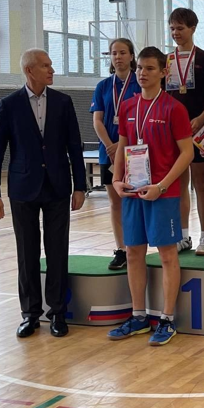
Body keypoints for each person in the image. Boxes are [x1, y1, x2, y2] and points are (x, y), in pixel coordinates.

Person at [0, 48, 87, 339]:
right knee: (26, 253)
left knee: (57, 251)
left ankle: (57, 312)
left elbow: (74, 146)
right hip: (22, 188)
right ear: (30, 70)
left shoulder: (63, 102)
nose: (51, 70)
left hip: (58, 186)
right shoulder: (9, 104)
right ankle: (30, 313)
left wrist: (80, 186)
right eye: (45, 65)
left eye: (51, 65)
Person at [107, 47, 194, 346]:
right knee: (133, 252)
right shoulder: (128, 106)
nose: (142, 73)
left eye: (150, 68)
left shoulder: (174, 109)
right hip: (133, 191)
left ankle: (167, 319)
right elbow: (123, 145)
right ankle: (139, 316)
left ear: (164, 73)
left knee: (168, 254)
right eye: (140, 68)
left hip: (163, 194)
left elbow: (187, 153)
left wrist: (163, 185)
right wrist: (116, 179)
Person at [165, 8, 204, 255]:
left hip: (198, 130)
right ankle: (182, 235)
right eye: (172, 28)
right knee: (178, 184)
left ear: (193, 28)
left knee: (201, 183)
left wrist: (201, 118)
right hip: (174, 132)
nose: (176, 33)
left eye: (180, 28)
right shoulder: (167, 60)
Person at [90, 38, 142, 270]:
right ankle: (121, 249)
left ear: (131, 56)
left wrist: (121, 146)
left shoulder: (140, 82)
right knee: (115, 202)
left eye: (122, 52)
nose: (118, 57)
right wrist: (111, 145)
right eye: (114, 53)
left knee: (137, 200)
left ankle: (137, 247)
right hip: (109, 152)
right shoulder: (103, 86)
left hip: (135, 151)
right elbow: (97, 121)